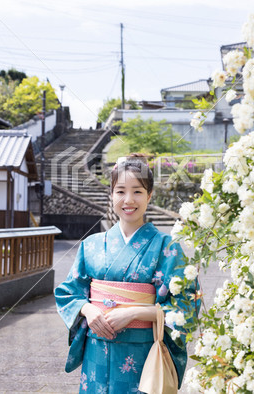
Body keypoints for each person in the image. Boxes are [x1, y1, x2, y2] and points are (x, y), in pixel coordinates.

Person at [55, 154, 197, 393]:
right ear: (111, 195)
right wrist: (88, 309)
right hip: (96, 353)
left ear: (150, 195)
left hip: (142, 353)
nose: (128, 200)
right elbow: (69, 292)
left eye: (138, 192)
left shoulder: (167, 247)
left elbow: (186, 306)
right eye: (120, 191)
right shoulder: (91, 244)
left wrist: (134, 313)